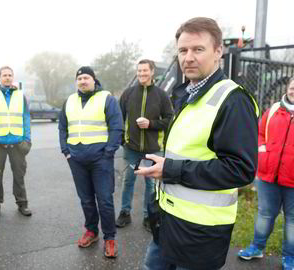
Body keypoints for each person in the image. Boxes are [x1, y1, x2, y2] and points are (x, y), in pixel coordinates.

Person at [135, 17, 259, 270]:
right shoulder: (186, 94)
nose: (188, 57)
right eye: (183, 50)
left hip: (200, 236)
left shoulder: (232, 100)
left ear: (218, 52)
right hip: (168, 224)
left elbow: (240, 170)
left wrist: (170, 170)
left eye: (198, 49)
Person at [58, 66, 123, 258]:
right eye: (79, 79)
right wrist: (66, 151)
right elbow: (62, 127)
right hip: (76, 159)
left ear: (94, 80)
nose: (83, 81)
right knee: (86, 200)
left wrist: (108, 152)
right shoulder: (69, 101)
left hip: (100, 160)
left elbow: (117, 127)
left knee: (104, 200)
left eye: (86, 78)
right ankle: (92, 232)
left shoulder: (107, 99)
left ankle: (110, 238)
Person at [238, 77, 294, 270]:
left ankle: (289, 257)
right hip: (268, 175)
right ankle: (257, 247)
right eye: (293, 87)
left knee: (292, 221)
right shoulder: (273, 110)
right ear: (288, 88)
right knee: (265, 214)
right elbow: (260, 132)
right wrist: (262, 150)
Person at [116, 59, 173, 230]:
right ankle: (125, 212)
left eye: (145, 71)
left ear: (152, 72)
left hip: (153, 150)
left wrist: (151, 124)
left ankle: (149, 216)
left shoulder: (161, 95)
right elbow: (118, 119)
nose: (141, 74)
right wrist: (122, 140)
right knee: (128, 180)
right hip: (131, 148)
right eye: (139, 71)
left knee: (151, 183)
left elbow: (170, 120)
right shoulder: (128, 94)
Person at [0, 66, 32, 218]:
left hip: (17, 143)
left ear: (13, 77)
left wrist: (27, 139)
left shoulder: (20, 96)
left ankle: (22, 204)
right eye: (4, 75)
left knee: (19, 175)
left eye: (10, 75)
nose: (8, 77)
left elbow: (26, 118)